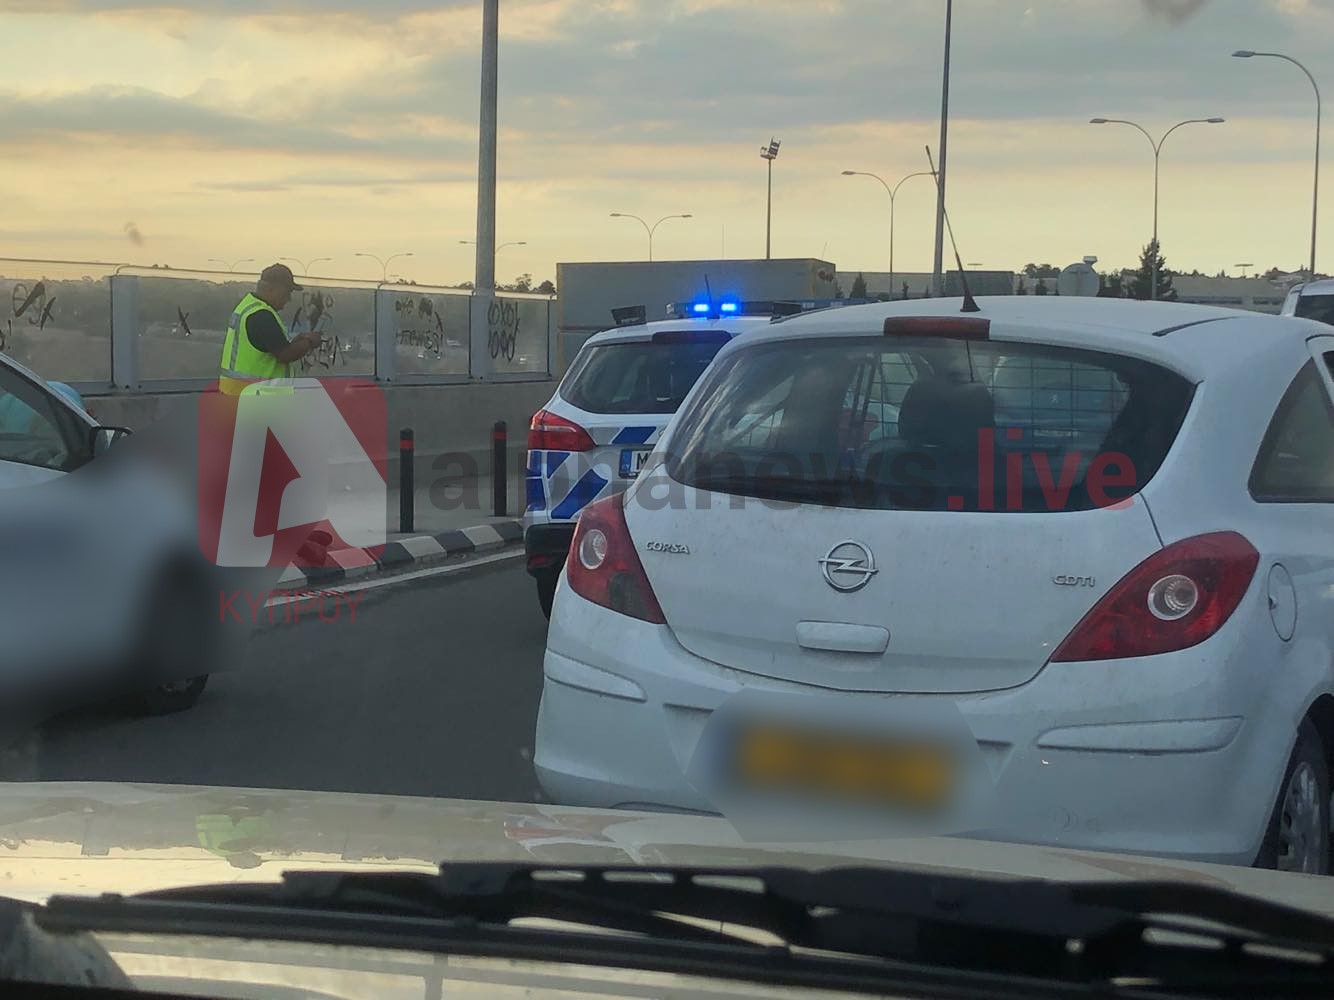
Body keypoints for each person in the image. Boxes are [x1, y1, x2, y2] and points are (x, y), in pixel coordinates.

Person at [218, 263, 319, 395]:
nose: (288, 299)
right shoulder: (262, 316)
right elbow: (285, 355)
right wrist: (310, 342)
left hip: (238, 395)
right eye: (287, 293)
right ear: (271, 289)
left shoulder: (248, 307)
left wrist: (297, 342)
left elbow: (270, 348)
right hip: (257, 398)